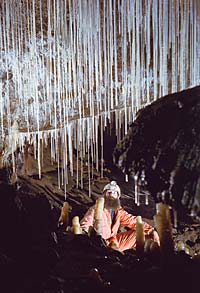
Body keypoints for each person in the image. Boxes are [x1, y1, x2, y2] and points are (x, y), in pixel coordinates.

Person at [80, 180, 160, 252]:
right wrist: (89, 239)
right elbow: (86, 224)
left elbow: (132, 221)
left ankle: (150, 258)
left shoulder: (118, 211)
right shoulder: (96, 209)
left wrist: (151, 230)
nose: (111, 195)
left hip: (114, 241)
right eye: (109, 192)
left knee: (141, 234)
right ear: (104, 195)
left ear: (118, 197)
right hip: (100, 244)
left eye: (114, 193)